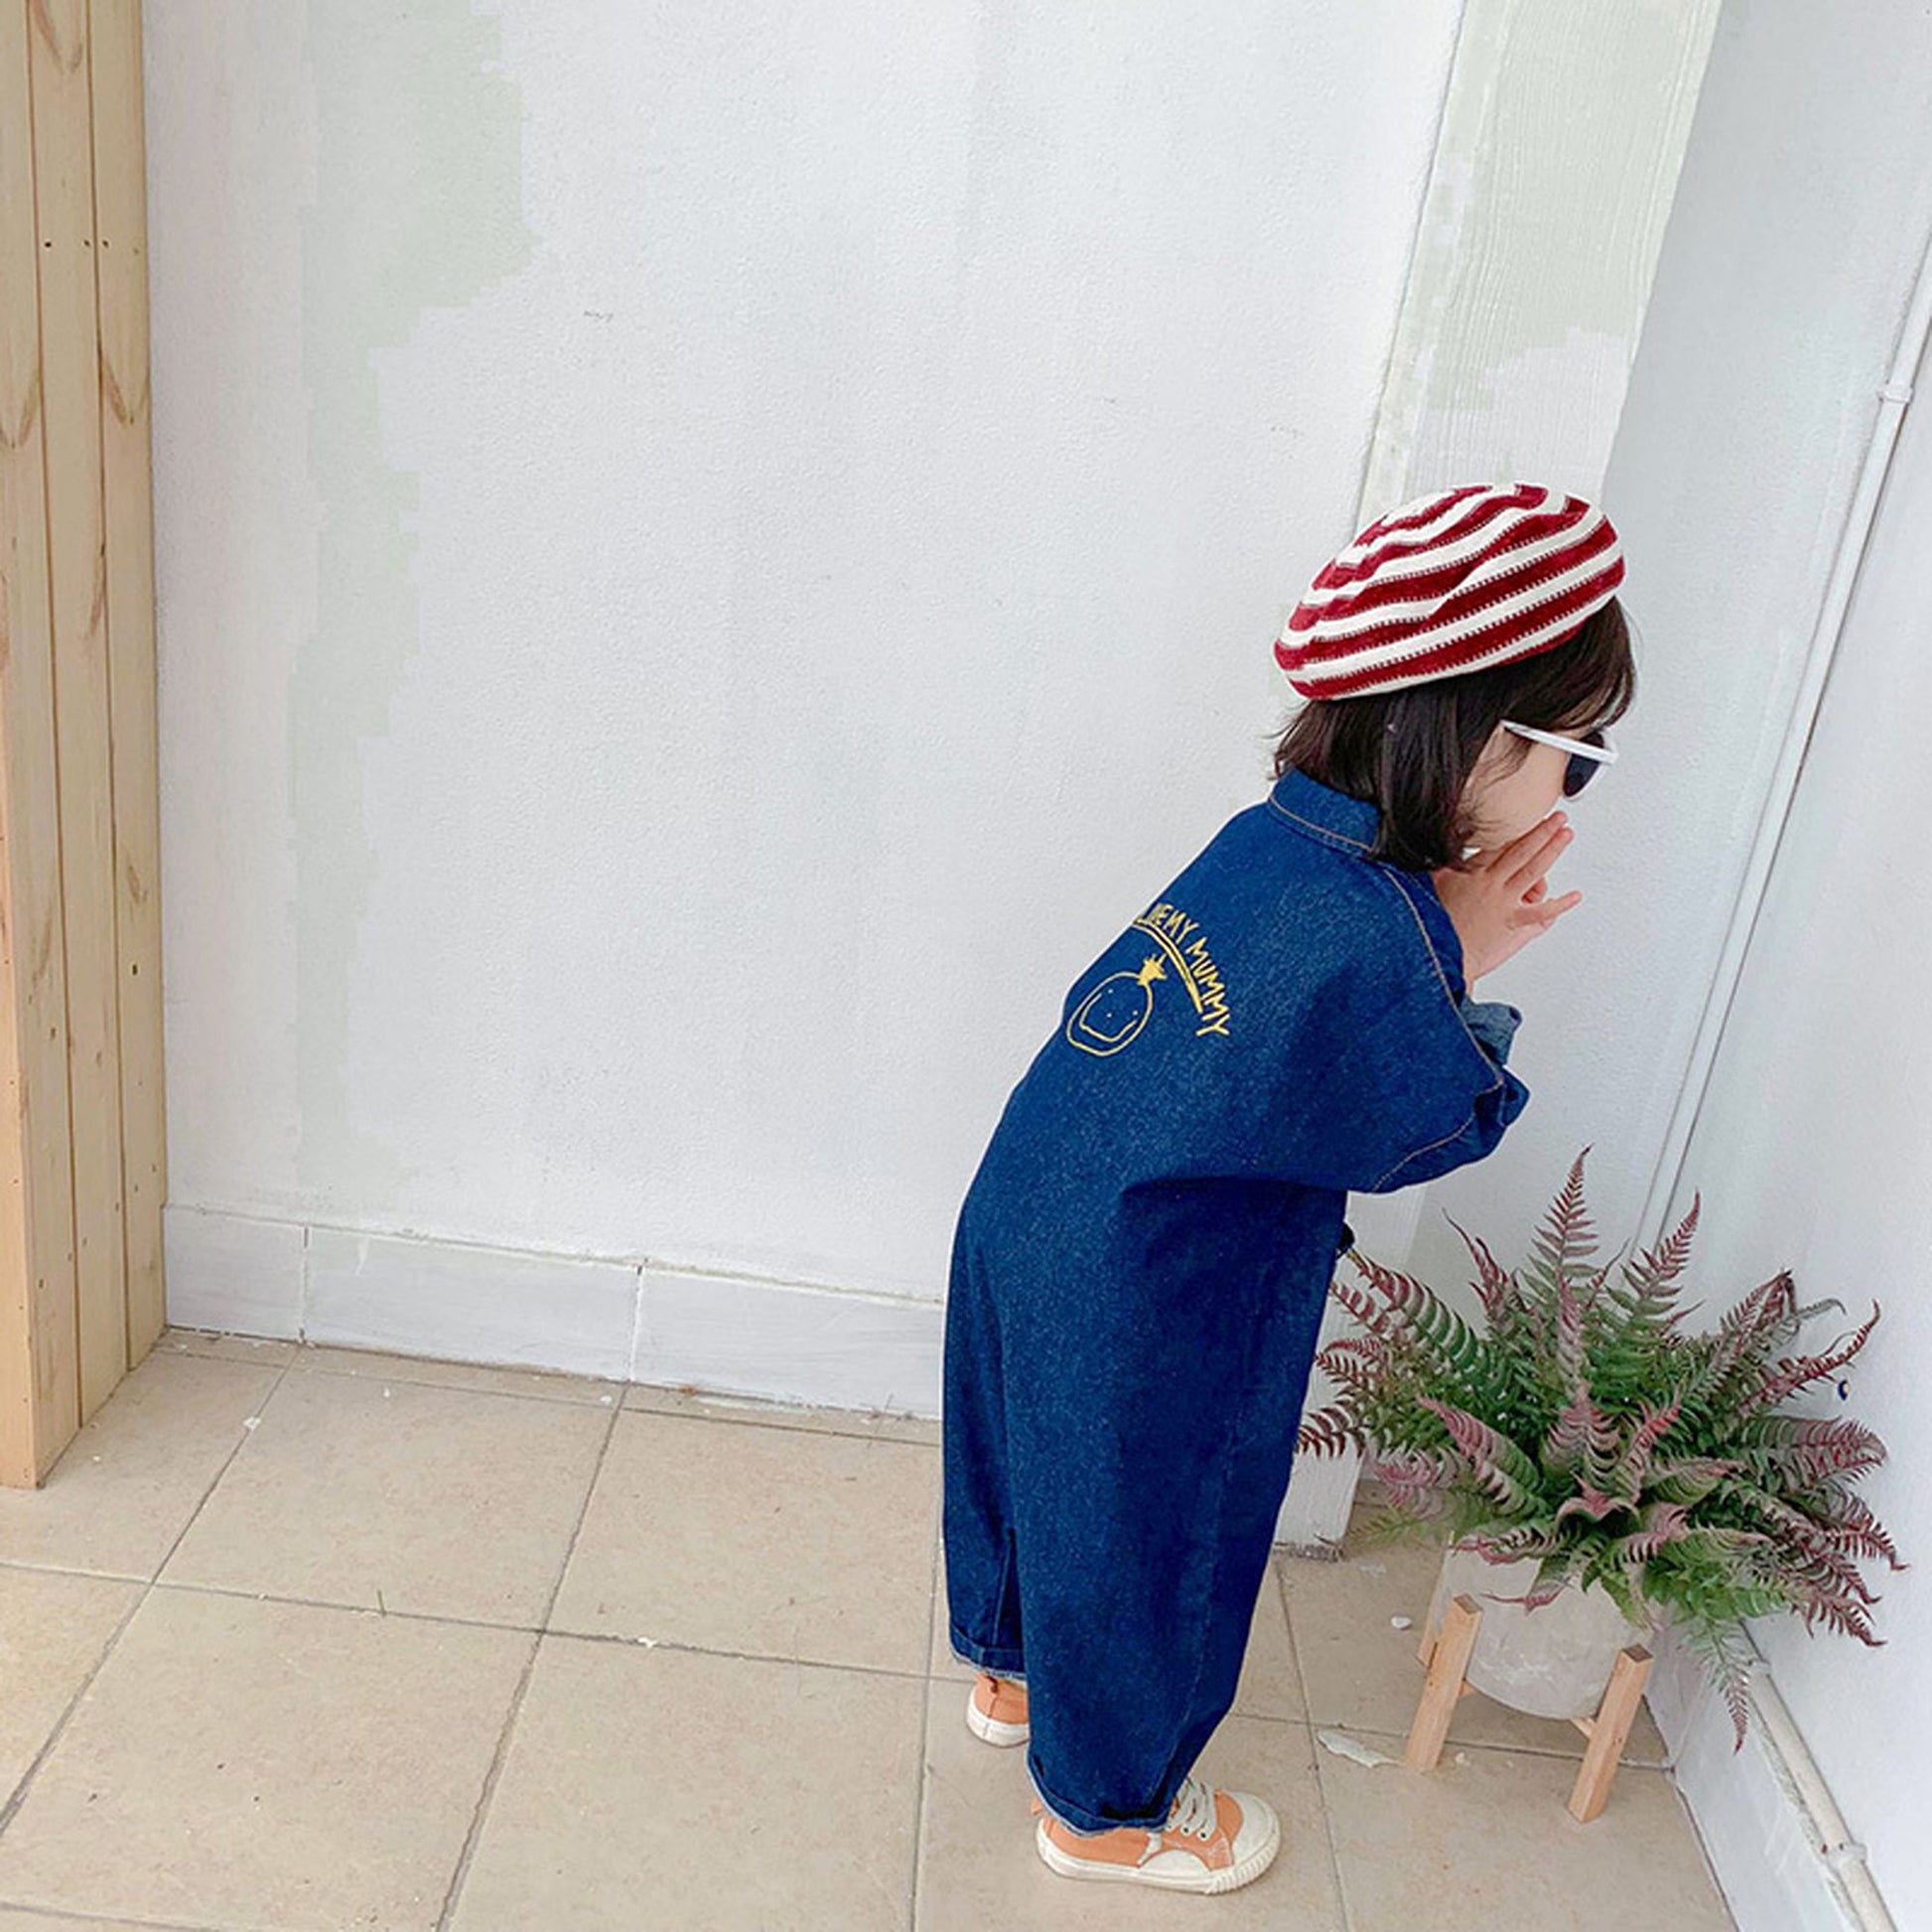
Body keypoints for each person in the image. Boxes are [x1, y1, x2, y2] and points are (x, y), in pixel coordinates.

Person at [938, 481, 1637, 1895]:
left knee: (1036, 1458)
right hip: (1166, 1288)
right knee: (1163, 1530)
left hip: (1034, 1199)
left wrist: (1433, 946)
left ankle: (1016, 1674)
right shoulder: (1381, 931)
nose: (1571, 796)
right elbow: (1414, 1131)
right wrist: (1453, 970)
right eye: (1579, 759)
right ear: (1485, 739)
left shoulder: (1270, 839)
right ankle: (1108, 1812)